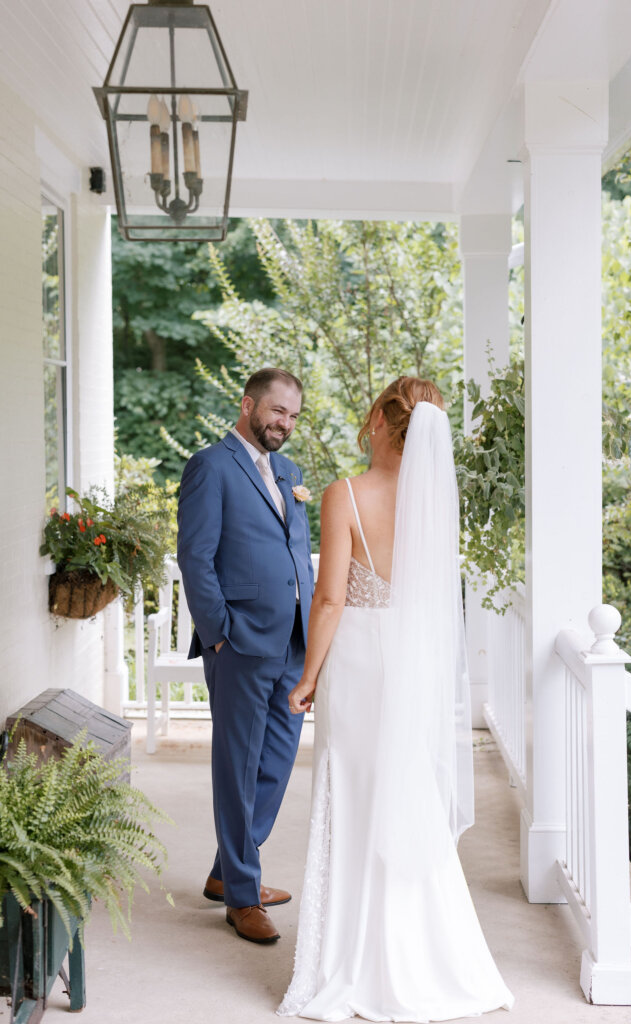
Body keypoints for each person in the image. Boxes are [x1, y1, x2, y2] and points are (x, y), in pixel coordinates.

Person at [279, 377, 513, 1020]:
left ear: (380, 421)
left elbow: (328, 599)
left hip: (356, 661)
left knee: (352, 791)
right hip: (410, 664)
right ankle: (426, 953)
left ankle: (350, 957)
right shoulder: (432, 503)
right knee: (402, 790)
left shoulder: (344, 495)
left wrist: (306, 677)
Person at [177, 367, 314, 945]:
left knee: (276, 764)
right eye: (277, 411)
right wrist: (220, 634)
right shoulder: (211, 466)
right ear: (248, 404)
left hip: (293, 641)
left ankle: (227, 869)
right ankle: (241, 894)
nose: (284, 423)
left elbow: (295, 551)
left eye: (293, 416)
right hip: (239, 642)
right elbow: (196, 557)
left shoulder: (290, 473)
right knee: (237, 767)